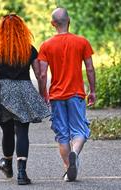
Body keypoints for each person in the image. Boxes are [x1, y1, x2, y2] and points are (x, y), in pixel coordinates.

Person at [0, 14, 50, 185]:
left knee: (7, 131)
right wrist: (43, 93)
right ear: (22, 30)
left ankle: (7, 164)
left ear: (2, 31)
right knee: (22, 132)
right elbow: (39, 74)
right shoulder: (29, 49)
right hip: (24, 91)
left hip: (4, 93)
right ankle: (22, 174)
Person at [38, 7, 96, 182]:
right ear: (69, 21)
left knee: (62, 134)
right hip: (76, 94)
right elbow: (90, 68)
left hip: (56, 96)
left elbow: (42, 75)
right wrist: (93, 90)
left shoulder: (46, 45)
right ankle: (75, 155)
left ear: (52, 24)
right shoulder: (82, 42)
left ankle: (68, 169)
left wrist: (43, 94)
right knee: (80, 130)